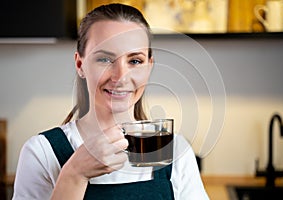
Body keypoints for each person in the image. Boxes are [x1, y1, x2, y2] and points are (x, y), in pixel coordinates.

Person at [12, 3, 209, 200]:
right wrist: (74, 174)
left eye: (135, 61)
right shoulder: (42, 152)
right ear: (80, 65)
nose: (120, 76)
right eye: (105, 59)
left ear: (149, 66)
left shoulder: (176, 150)